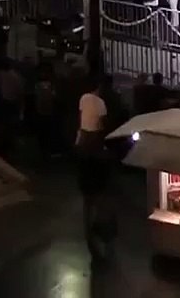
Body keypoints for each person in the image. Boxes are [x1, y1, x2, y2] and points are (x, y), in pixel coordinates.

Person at [76, 77, 111, 260]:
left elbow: (81, 120)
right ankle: (100, 224)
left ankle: (86, 226)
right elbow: (103, 125)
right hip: (95, 145)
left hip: (82, 144)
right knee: (99, 190)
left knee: (86, 193)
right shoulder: (101, 103)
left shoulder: (83, 98)